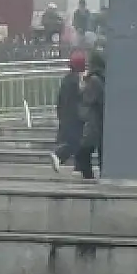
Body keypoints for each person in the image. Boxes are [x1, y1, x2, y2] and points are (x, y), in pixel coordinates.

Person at [52, 50, 86, 171]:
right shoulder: (77, 81)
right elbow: (81, 97)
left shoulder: (66, 80)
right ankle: (59, 155)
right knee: (76, 142)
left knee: (77, 143)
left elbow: (60, 99)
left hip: (66, 116)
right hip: (75, 117)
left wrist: (60, 114)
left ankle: (79, 167)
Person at [76, 51, 105, 181]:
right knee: (101, 150)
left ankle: (88, 177)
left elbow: (87, 99)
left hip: (93, 121)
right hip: (101, 120)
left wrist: (82, 86)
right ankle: (100, 175)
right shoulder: (103, 77)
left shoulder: (94, 80)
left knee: (83, 152)